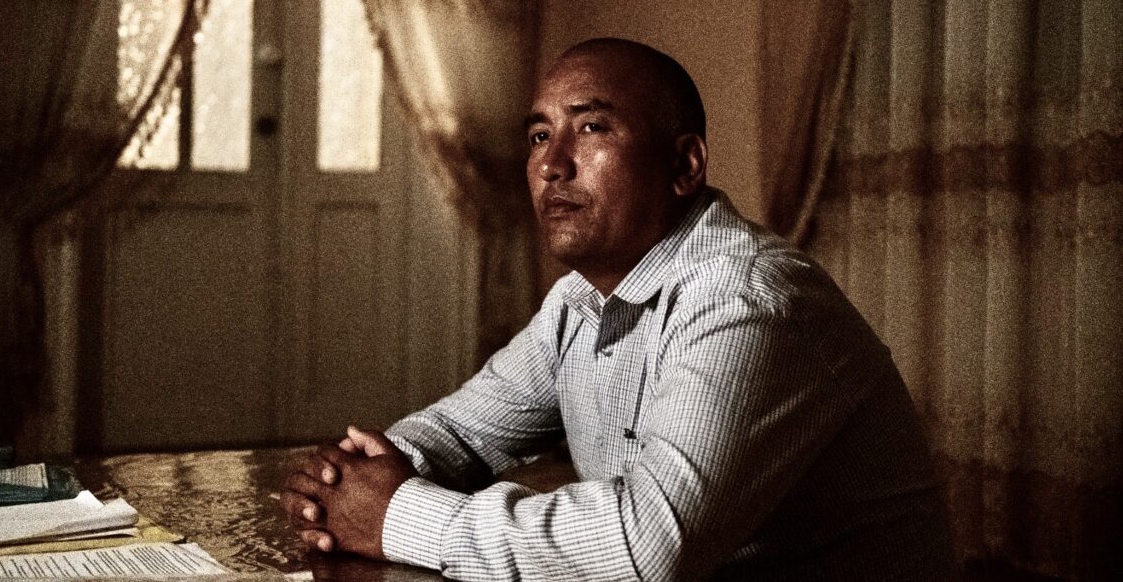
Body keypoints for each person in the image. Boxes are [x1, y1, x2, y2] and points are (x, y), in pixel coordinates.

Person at [282, 38, 954, 580]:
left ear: (685, 164)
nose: (552, 164)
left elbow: (648, 543)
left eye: (592, 126)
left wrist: (397, 513)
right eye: (540, 135)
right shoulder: (582, 299)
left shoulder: (747, 299)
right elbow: (460, 432)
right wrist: (353, 478)